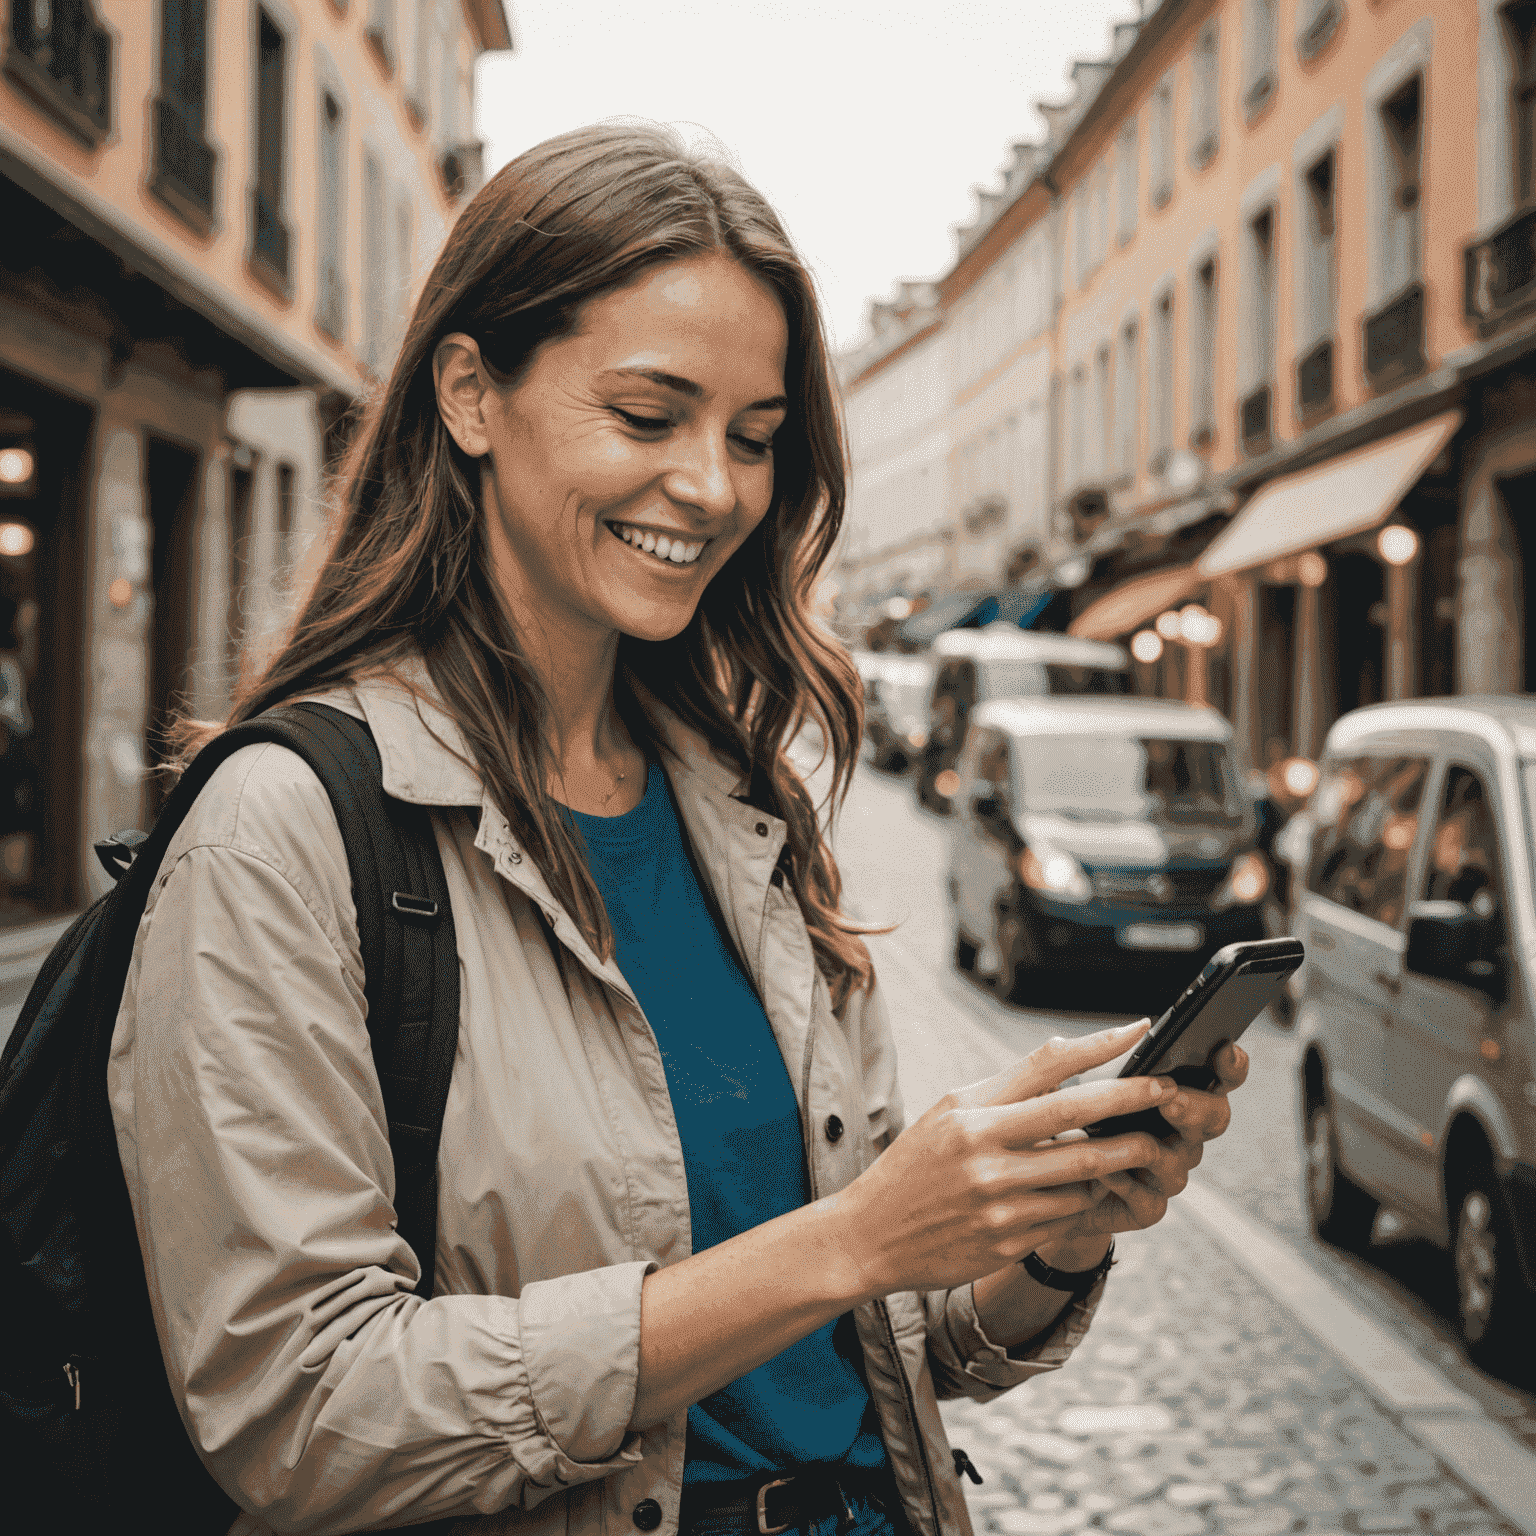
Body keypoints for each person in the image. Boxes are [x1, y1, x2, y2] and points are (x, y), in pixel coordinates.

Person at [108, 123, 1248, 1536]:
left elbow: (883, 1351)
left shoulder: (741, 804)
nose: (714, 487)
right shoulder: (287, 828)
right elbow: (298, 1413)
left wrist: (1048, 1236)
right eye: (649, 418)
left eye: (756, 439)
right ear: (471, 393)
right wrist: (846, 1240)